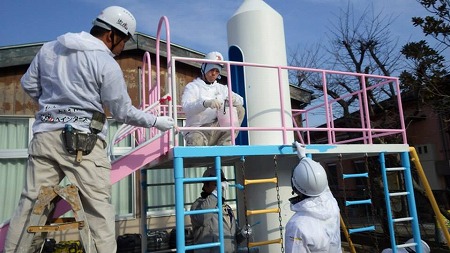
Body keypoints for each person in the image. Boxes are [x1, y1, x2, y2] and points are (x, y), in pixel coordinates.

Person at [4, 6, 174, 253]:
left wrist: (56, 104)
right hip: (82, 145)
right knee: (97, 212)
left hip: (45, 137)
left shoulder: (50, 49)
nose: (122, 49)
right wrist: (156, 122)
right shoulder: (105, 62)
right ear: (111, 35)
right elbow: (121, 112)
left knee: (31, 206)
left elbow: (28, 84)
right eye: (123, 42)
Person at [284, 142, 341, 253]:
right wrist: (304, 158)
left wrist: (303, 158)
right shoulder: (333, 205)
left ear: (294, 186)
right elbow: (319, 184)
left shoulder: (297, 226)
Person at [181, 51, 245, 146]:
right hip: (197, 130)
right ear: (204, 68)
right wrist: (204, 103)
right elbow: (186, 108)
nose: (214, 73)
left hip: (216, 129)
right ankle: (202, 159)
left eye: (217, 71)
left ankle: (225, 143)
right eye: (211, 70)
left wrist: (233, 98)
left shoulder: (221, 88)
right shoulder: (193, 87)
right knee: (196, 141)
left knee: (239, 109)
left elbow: (241, 101)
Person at [190, 167, 245, 253]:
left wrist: (242, 234)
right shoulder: (197, 205)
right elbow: (202, 218)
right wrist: (215, 193)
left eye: (221, 184)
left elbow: (232, 236)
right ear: (205, 185)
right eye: (216, 184)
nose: (220, 188)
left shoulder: (226, 207)